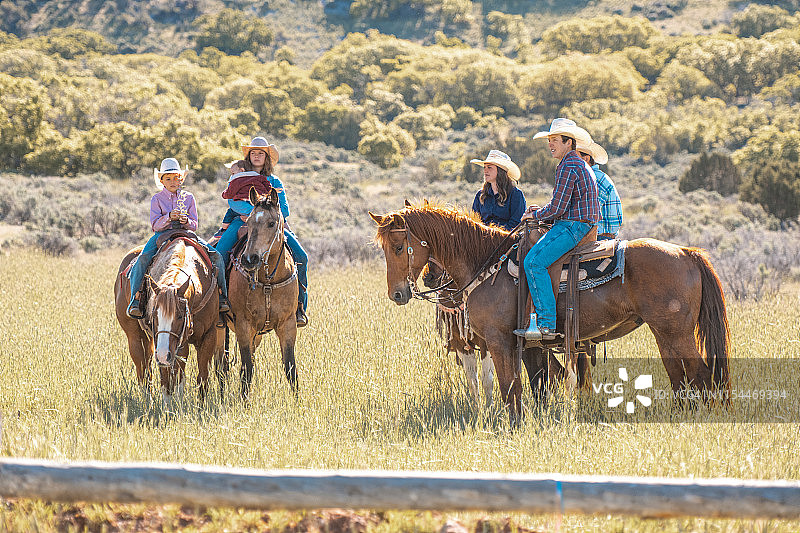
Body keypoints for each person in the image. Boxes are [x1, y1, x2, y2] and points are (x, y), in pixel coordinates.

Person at [514, 118, 599, 341]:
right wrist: (542, 211)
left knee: (533, 262)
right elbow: (561, 205)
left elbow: (559, 207)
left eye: (554, 140)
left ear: (568, 142)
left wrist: (535, 215)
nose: (550, 144)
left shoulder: (568, 166)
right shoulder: (578, 163)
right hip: (581, 223)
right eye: (549, 140)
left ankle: (545, 324)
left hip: (573, 226)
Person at [213, 137, 309, 327]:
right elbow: (232, 200)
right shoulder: (239, 177)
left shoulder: (274, 181)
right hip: (241, 221)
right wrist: (252, 214)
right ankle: (219, 304)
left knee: (301, 257)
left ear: (267, 158)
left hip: (271, 225)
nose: (257, 156)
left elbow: (284, 208)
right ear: (248, 157)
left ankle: (299, 306)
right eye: (253, 153)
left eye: (261, 153)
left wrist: (263, 217)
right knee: (218, 254)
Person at [127, 158, 230, 319]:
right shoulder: (157, 199)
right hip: (163, 235)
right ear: (161, 181)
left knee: (215, 255)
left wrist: (185, 221)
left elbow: (194, 224)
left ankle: (222, 296)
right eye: (168, 178)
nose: (173, 181)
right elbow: (155, 225)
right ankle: (136, 298)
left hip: (186, 233)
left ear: (181, 179)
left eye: (176, 178)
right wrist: (168, 217)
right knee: (143, 259)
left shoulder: (188, 197)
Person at [575, 136, 622, 240]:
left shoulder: (594, 179)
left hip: (600, 237)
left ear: (585, 159)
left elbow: (587, 214)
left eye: (574, 157)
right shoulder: (595, 177)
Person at [469, 150, 526, 231]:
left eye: (489, 167)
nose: (485, 171)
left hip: (507, 240)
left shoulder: (515, 194)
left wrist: (495, 234)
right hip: (481, 240)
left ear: (500, 171)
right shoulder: (480, 195)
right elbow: (474, 221)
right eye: (484, 167)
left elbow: (516, 223)